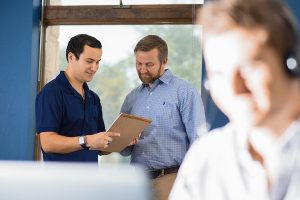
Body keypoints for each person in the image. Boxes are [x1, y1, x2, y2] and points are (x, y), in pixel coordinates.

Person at [170, 0, 300, 199]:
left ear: (292, 64)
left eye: (247, 68)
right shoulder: (205, 158)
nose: (233, 90)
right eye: (219, 74)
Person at [120, 35, 206, 200]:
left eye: (149, 64)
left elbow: (198, 140)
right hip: (136, 181)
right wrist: (124, 141)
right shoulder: (132, 98)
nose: (143, 70)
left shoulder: (184, 92)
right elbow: (124, 150)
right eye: (139, 64)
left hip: (171, 179)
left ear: (164, 61)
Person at [36, 34, 119, 162]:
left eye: (97, 62)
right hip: (60, 180)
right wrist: (86, 140)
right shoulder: (51, 93)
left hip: (90, 180)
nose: (94, 68)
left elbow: (100, 148)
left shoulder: (94, 98)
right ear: (71, 57)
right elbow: (47, 143)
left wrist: (122, 141)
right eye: (89, 61)